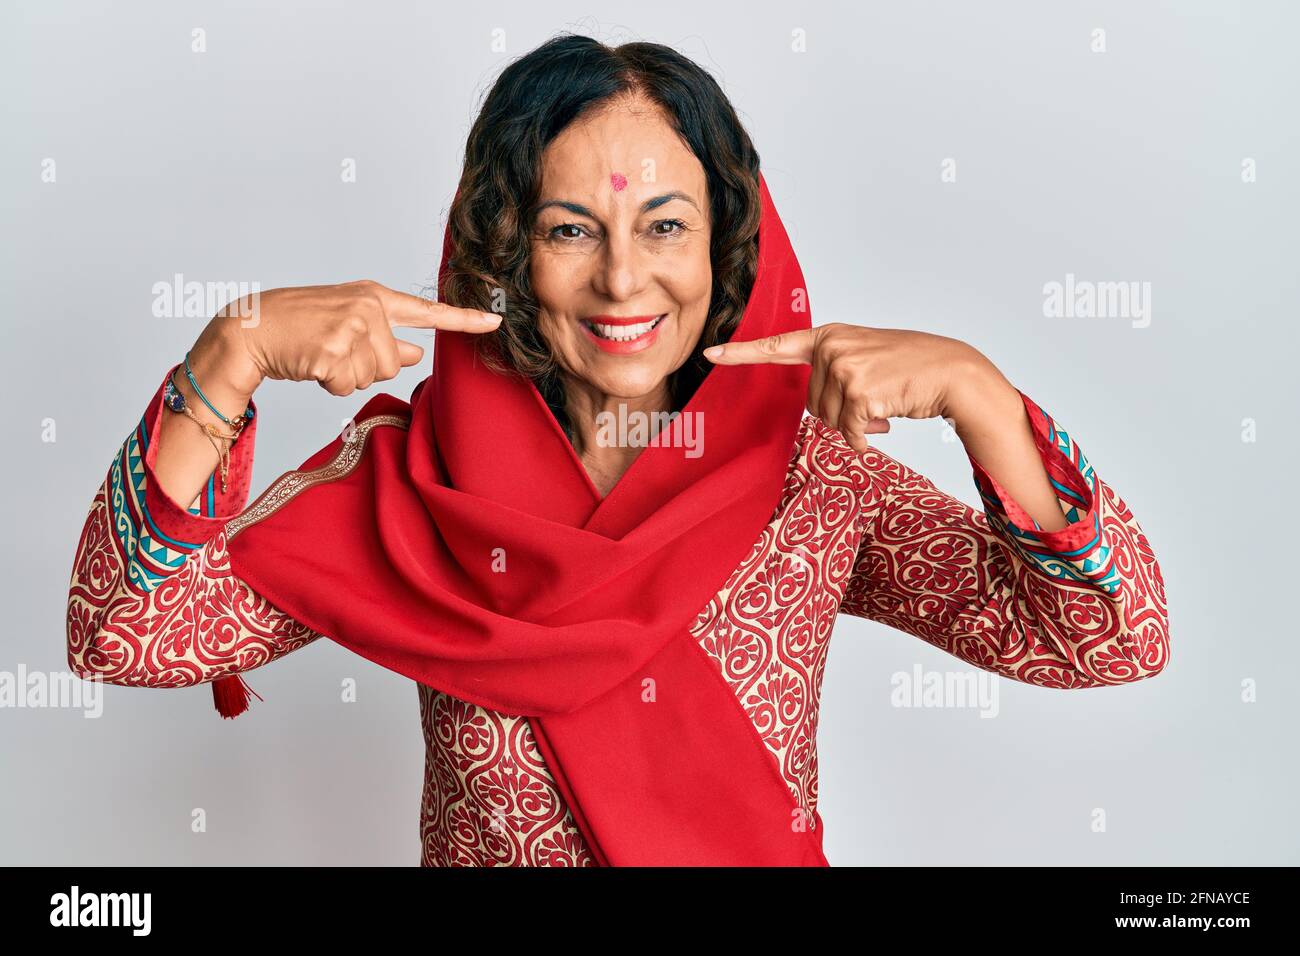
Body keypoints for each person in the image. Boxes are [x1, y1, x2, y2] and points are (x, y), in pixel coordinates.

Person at [65, 33, 1169, 867]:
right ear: (503, 249)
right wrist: (233, 349)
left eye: (666, 225)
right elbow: (122, 632)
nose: (623, 279)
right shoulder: (409, 484)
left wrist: (981, 394)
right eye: (569, 229)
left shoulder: (808, 477)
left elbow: (1111, 639)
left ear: (729, 241)